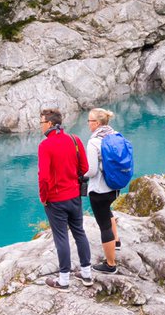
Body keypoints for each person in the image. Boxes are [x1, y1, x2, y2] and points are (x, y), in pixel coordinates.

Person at [37, 108, 93, 289]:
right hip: (75, 196)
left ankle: (64, 280)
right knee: (79, 232)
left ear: (51, 124)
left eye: (42, 122)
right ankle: (86, 274)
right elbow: (84, 167)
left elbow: (44, 177)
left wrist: (44, 197)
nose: (40, 126)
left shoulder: (45, 145)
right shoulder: (75, 140)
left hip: (55, 199)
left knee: (61, 237)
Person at [85, 107, 122, 273]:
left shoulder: (94, 142)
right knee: (108, 212)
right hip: (114, 187)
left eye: (90, 121)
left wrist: (80, 175)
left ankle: (110, 264)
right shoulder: (115, 136)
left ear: (97, 123)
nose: (88, 124)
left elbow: (91, 171)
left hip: (99, 190)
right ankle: (117, 241)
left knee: (104, 226)